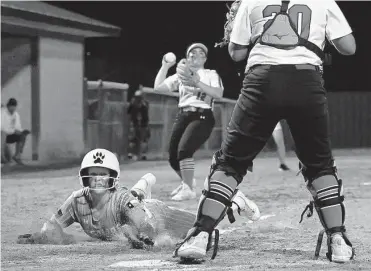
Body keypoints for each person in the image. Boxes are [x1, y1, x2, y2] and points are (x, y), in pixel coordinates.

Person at [174, 0, 356, 263]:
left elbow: (236, 53)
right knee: (320, 165)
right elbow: (348, 47)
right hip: (306, 81)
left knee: (231, 162)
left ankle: (199, 235)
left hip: (262, 80)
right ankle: (338, 239)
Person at [17, 148, 260, 248]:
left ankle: (234, 201)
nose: (98, 179)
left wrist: (140, 234)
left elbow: (144, 225)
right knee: (136, 195)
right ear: (84, 177)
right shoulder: (76, 200)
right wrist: (40, 234)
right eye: (93, 175)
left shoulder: (122, 199)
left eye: (104, 174)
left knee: (203, 228)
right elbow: (53, 225)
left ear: (113, 177)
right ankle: (146, 182)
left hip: (157, 215)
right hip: (135, 202)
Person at [154, 43, 224, 201]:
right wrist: (165, 66)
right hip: (183, 115)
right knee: (173, 157)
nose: (195, 54)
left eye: (200, 52)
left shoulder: (210, 74)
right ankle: (187, 181)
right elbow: (158, 87)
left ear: (205, 58)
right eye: (192, 52)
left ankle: (189, 189)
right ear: (187, 57)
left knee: (184, 151)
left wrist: (196, 82)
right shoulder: (181, 75)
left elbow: (218, 94)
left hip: (202, 115)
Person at [1, 98, 30, 164]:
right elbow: (2, 127)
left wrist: (21, 131)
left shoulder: (16, 115)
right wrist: (12, 130)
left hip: (10, 134)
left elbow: (17, 127)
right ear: (8, 106)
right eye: (12, 107)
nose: (13, 109)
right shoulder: (2, 113)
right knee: (3, 133)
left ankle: (17, 155)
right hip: (2, 135)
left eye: (14, 107)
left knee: (23, 135)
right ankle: (1, 155)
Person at [127, 89, 150, 161]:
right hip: (138, 124)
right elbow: (128, 112)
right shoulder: (143, 104)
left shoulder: (136, 104)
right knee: (135, 140)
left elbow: (128, 112)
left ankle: (138, 154)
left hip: (139, 124)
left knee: (139, 140)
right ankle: (135, 154)